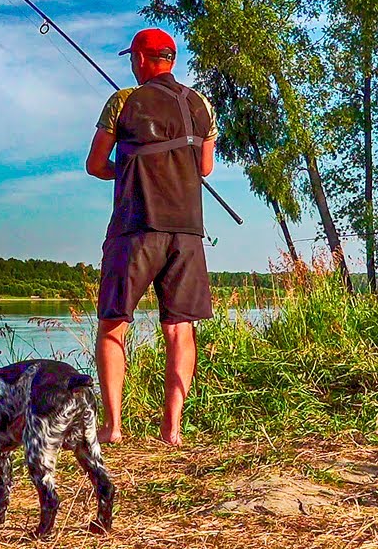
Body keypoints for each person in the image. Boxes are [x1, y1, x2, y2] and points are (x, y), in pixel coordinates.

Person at [84, 27, 217, 446]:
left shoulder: (123, 101)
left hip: (135, 228)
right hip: (187, 232)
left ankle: (113, 427)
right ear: (171, 60)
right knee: (180, 329)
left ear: (141, 59)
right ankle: (172, 430)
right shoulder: (201, 104)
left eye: (132, 58)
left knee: (113, 324)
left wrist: (128, 171)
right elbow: (205, 167)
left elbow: (95, 164)